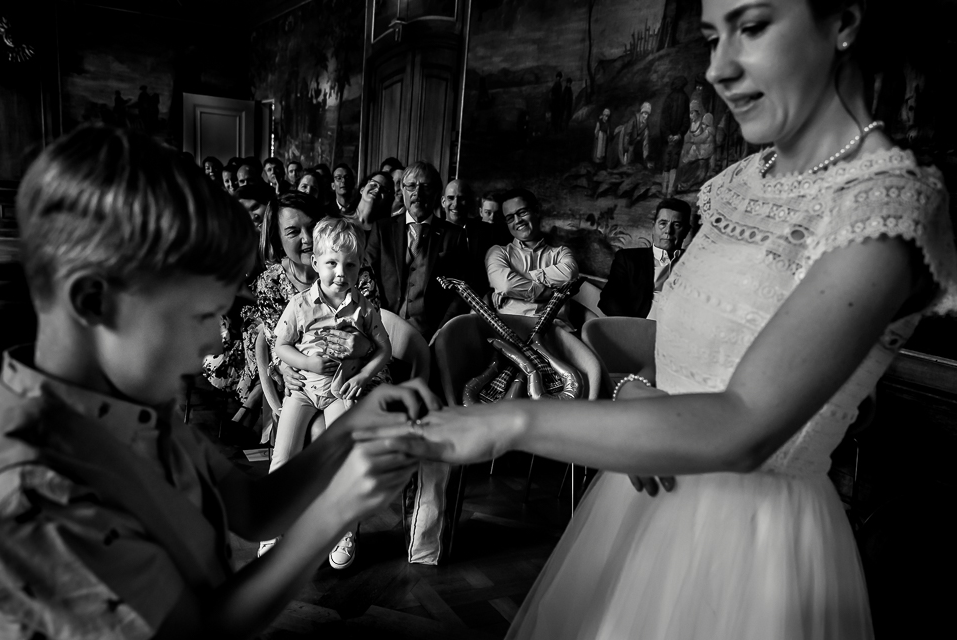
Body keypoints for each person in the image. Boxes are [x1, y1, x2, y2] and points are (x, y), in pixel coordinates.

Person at [365, 1, 957, 637]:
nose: (718, 68)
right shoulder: (735, 182)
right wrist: (632, 392)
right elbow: (684, 341)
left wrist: (506, 421)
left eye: (751, 28)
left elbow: (745, 424)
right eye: (711, 37)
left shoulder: (886, 205)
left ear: (843, 21)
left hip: (751, 537)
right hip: (647, 488)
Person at [0, 124, 433, 639]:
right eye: (200, 315)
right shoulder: (38, 493)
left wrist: (356, 431)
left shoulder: (128, 402)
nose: (211, 343)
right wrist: (339, 507)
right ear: (94, 300)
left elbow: (252, 509)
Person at [259, 219, 392, 566]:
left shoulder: (364, 308)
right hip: (303, 391)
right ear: (316, 262)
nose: (341, 273)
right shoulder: (300, 304)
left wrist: (363, 375)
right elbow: (280, 346)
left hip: (339, 392)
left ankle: (343, 529)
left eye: (351, 265)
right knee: (282, 458)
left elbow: (384, 349)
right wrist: (308, 362)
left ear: (360, 267)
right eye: (332, 263)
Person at [365, 161, 472, 341]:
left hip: (431, 335)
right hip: (382, 329)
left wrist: (443, 330)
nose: (417, 193)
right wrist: (373, 322)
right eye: (411, 186)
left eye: (426, 187)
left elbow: (461, 292)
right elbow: (366, 277)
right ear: (402, 190)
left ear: (437, 192)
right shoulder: (382, 229)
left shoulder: (454, 236)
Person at [486, 188, 579, 326]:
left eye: (522, 212)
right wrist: (550, 292)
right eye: (510, 218)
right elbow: (506, 285)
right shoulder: (498, 253)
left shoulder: (561, 253)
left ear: (536, 211)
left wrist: (516, 284)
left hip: (555, 329)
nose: (517, 221)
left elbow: (569, 275)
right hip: (512, 329)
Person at [598, 198, 692, 319]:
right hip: (637, 326)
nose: (668, 231)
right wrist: (632, 326)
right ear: (653, 226)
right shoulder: (628, 259)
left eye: (677, 225)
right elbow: (608, 299)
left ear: (686, 231)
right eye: (663, 223)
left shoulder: (694, 264)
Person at [660, 75, 691, 197]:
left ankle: (664, 189)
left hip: (668, 138)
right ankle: (669, 191)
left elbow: (664, 120)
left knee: (667, 162)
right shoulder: (685, 98)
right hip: (678, 138)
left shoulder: (669, 97)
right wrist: (679, 134)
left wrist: (668, 135)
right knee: (674, 163)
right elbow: (686, 120)